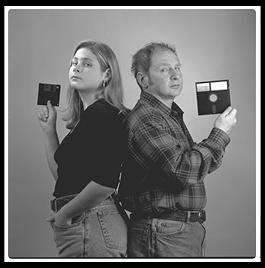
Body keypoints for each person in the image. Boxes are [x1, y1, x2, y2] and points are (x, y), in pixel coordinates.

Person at [118, 42, 237, 257]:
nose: (175, 75)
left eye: (177, 68)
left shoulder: (166, 115)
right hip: (165, 233)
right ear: (143, 80)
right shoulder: (148, 118)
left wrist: (217, 138)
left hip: (174, 232)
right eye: (164, 69)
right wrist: (219, 133)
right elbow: (182, 172)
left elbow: (191, 169)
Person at [37, 40, 129, 257]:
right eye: (74, 63)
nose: (76, 68)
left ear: (106, 75)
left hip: (93, 222)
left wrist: (64, 215)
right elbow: (63, 177)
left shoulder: (104, 115)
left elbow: (106, 182)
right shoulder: (89, 118)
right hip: (88, 221)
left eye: (87, 64)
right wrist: (49, 131)